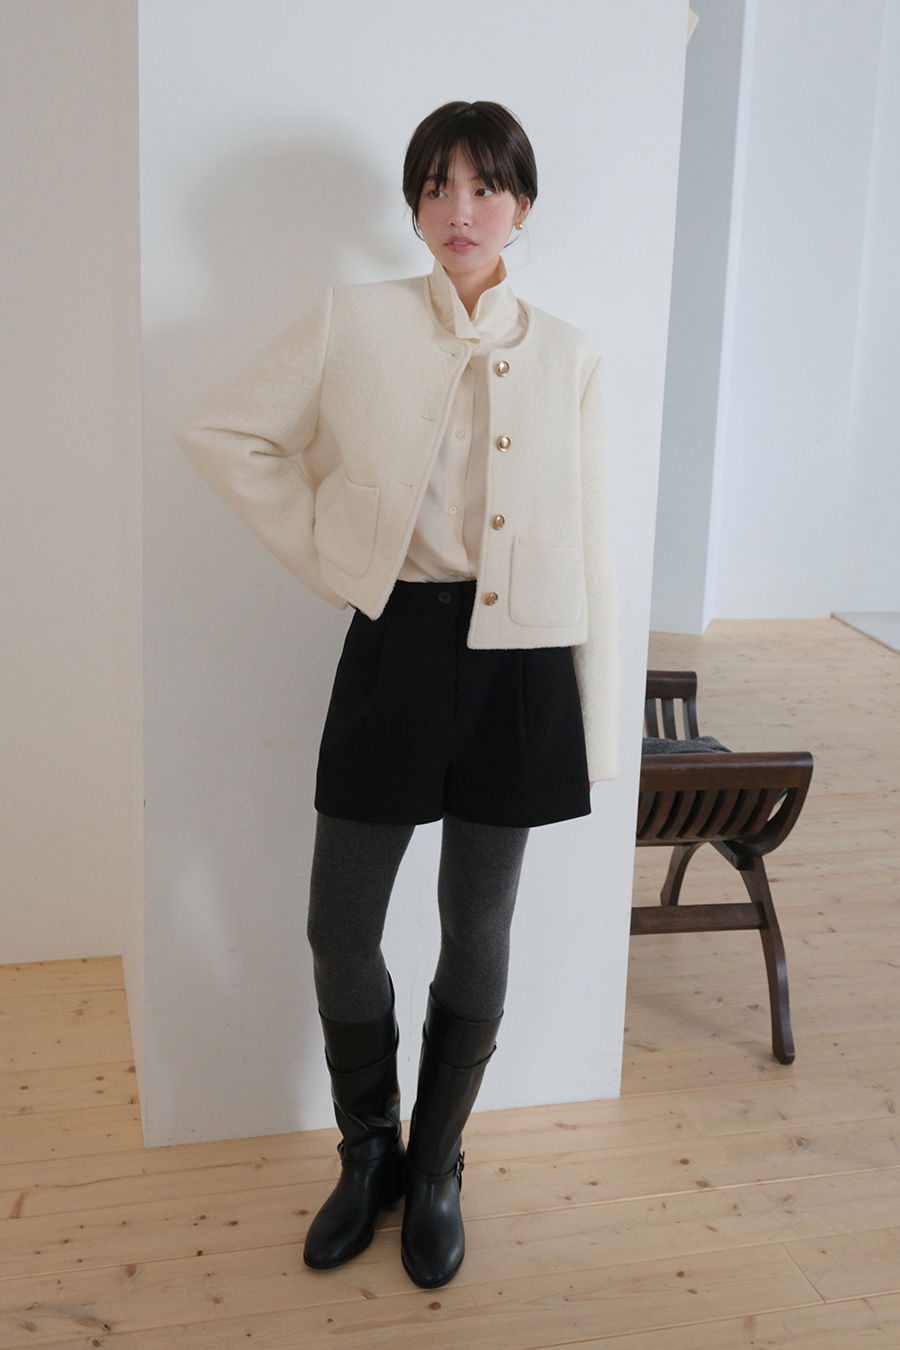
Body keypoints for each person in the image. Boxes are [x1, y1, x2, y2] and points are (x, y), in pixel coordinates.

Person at [179, 100, 619, 1290]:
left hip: (521, 660)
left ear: (522, 204)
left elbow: (595, 545)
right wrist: (337, 555)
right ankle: (368, 1150)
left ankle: (437, 1165)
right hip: (399, 644)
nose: (459, 210)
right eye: (437, 187)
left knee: (479, 925)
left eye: (484, 187)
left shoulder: (571, 354)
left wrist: (595, 720)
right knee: (340, 927)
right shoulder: (355, 319)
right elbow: (226, 433)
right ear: (416, 205)